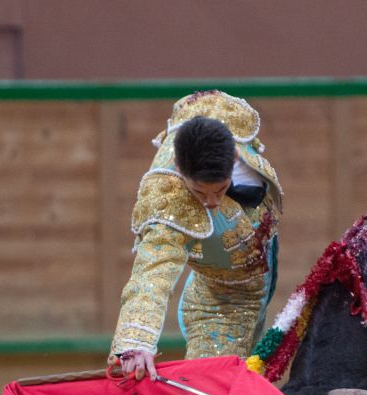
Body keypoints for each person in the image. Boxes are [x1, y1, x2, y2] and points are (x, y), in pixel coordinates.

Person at [109, 90, 283, 379]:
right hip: (223, 298)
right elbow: (151, 273)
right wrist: (134, 344)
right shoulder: (168, 200)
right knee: (213, 390)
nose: (212, 201)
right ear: (179, 168)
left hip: (261, 264)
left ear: (234, 159)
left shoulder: (227, 121)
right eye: (200, 191)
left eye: (221, 189)